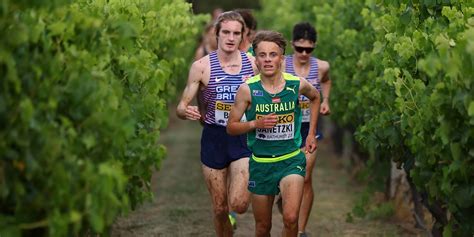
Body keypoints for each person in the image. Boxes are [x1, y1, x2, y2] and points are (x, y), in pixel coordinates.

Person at [227, 30, 320, 237]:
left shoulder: (296, 84)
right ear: (256, 59)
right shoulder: (247, 89)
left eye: (273, 54)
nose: (268, 60)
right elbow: (231, 127)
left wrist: (311, 133)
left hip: (291, 160)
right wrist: (255, 123)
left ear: (282, 58)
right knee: (262, 227)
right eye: (262, 55)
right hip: (261, 163)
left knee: (290, 218)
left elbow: (315, 97)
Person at [176, 11, 257, 236]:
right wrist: (185, 110)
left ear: (242, 36)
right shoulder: (201, 66)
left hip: (241, 136)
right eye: (226, 33)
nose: (231, 38)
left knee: (239, 204)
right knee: (220, 208)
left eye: (236, 33)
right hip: (214, 137)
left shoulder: (252, 64)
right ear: (217, 34)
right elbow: (182, 105)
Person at [283, 22, 332, 237]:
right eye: (299, 48)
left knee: (305, 176)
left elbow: (327, 82)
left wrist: (325, 100)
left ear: (314, 47)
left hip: (309, 127)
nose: (304, 53)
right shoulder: (282, 65)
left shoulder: (321, 67)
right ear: (292, 44)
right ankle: (286, 203)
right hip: (284, 127)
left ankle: (301, 230)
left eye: (309, 49)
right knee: (283, 176)